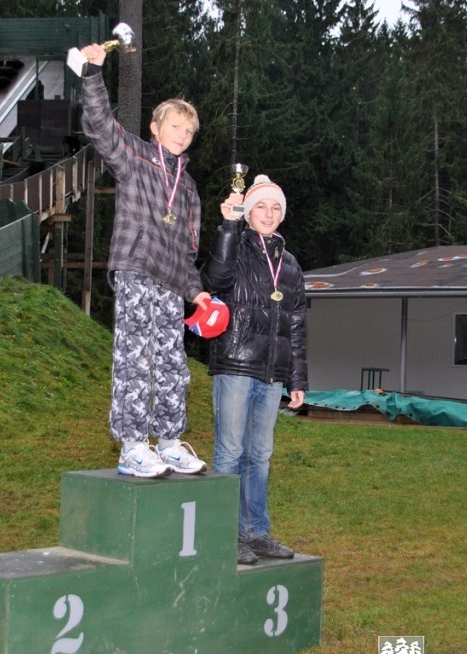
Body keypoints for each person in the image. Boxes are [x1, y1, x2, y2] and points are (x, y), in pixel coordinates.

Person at [79, 43, 211, 478]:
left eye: (188, 131)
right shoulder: (134, 158)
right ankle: (133, 446)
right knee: (135, 359)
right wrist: (93, 73)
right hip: (137, 271)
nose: (181, 134)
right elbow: (100, 126)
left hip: (172, 284)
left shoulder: (189, 189)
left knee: (172, 363)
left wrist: (198, 292)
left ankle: (169, 442)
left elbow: (189, 253)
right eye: (175, 125)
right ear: (156, 128)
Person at [200, 174, 308, 563]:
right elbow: (212, 280)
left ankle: (255, 532)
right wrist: (228, 227)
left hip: (272, 374)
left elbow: (295, 326)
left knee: (259, 455)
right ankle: (224, 535)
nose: (269, 213)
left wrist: (296, 379)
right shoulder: (235, 245)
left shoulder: (291, 264)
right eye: (261, 206)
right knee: (230, 452)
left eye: (276, 207)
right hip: (234, 364)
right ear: (248, 212)